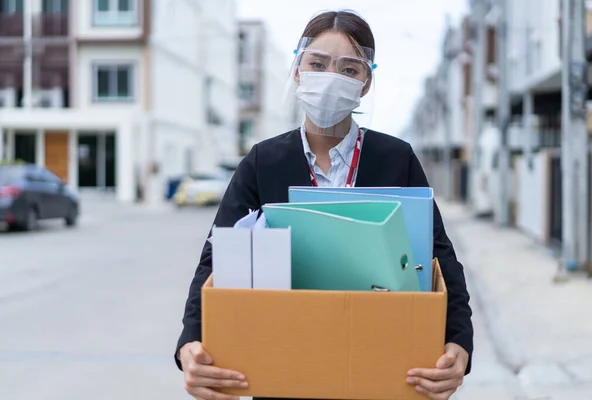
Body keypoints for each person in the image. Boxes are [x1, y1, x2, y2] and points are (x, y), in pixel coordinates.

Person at [176, 9, 474, 400]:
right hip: (287, 365)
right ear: (298, 69)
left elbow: (439, 256)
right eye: (318, 64)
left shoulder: (396, 157)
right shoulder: (263, 161)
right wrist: (190, 341)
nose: (332, 78)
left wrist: (459, 342)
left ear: (366, 83)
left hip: (380, 365)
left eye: (349, 69)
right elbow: (216, 258)